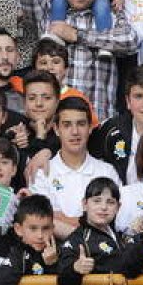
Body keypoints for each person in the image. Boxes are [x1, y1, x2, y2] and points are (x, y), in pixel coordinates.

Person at [46, 0, 140, 120]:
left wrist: (78, 36)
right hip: (59, 121)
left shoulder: (111, 16)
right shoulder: (50, 17)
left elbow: (131, 40)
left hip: (101, 119)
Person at [31, 96, 121, 235]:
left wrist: (61, 219)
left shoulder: (107, 171)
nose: (75, 132)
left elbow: (117, 216)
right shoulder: (42, 172)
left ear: (90, 127)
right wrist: (91, 223)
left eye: (81, 124)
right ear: (56, 129)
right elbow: (43, 221)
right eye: (67, 125)